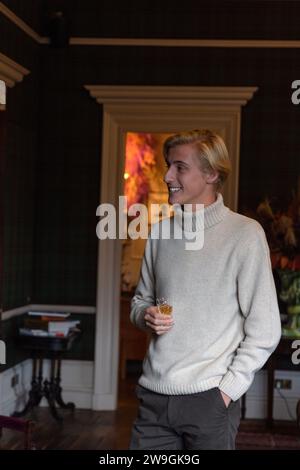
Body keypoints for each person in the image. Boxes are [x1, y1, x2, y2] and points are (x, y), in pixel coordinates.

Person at [129, 129, 281, 450]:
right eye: (168, 165)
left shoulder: (244, 234)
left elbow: (265, 329)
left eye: (180, 167)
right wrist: (147, 315)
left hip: (209, 400)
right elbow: (140, 302)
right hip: (153, 399)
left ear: (211, 173)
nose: (168, 175)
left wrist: (226, 391)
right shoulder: (160, 233)